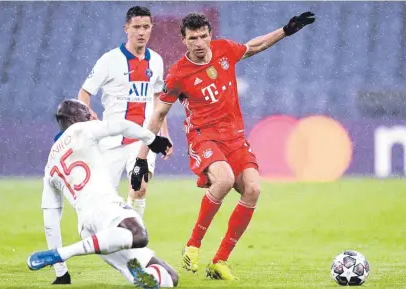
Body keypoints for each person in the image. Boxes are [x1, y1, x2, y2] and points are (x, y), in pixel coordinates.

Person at [130, 12, 316, 280]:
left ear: (210, 36)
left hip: (235, 138)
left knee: (252, 189)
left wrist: (286, 30)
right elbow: (158, 115)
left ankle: (220, 261)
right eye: (192, 38)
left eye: (203, 36)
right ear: (184, 40)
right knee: (225, 179)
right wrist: (141, 157)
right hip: (203, 137)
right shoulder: (178, 74)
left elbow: (255, 46)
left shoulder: (225, 50)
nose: (199, 42)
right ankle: (194, 243)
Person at [27, 99, 177, 289]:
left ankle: (138, 274)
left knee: (170, 278)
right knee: (139, 235)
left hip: (87, 229)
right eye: (88, 114)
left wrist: (61, 272)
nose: (93, 116)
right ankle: (66, 252)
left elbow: (51, 221)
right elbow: (121, 125)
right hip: (105, 207)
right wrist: (152, 139)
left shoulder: (49, 166)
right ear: (75, 119)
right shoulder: (80, 129)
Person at [78, 6, 172, 219]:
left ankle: (134, 236)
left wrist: (164, 133)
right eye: (136, 27)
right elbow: (84, 93)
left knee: (139, 187)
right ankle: (107, 235)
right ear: (126, 28)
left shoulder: (156, 60)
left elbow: (158, 97)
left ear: (151, 29)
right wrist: (90, 117)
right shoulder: (109, 60)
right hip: (112, 140)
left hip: (143, 140)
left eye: (146, 27)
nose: (141, 32)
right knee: (103, 201)